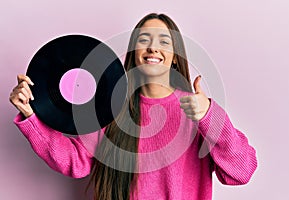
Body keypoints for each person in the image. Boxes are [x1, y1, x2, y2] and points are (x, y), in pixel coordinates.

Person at [9, 13, 257, 200]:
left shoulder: (198, 110)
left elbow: (241, 172)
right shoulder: (111, 108)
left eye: (164, 41)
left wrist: (210, 117)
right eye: (144, 40)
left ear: (174, 56)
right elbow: (75, 161)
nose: (153, 48)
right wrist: (31, 115)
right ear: (134, 52)